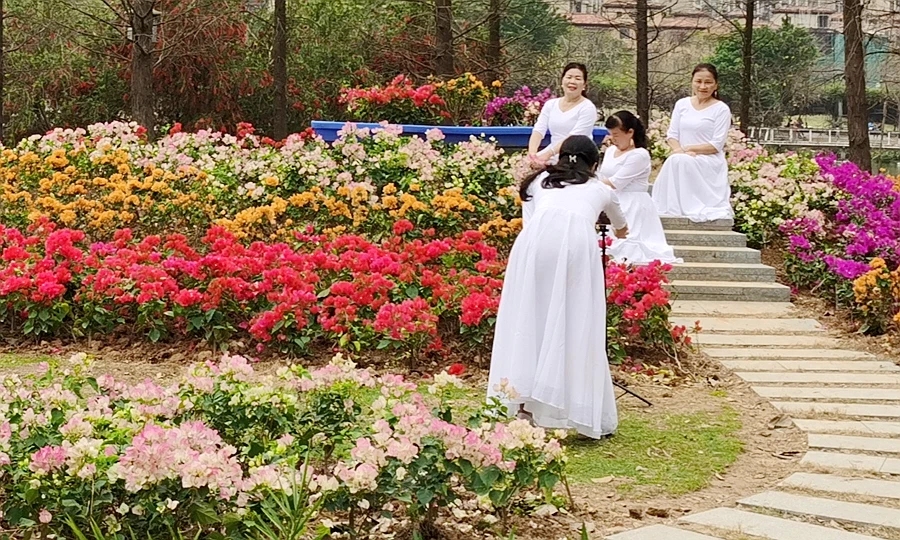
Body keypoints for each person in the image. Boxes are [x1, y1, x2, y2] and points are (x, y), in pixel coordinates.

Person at [488, 135, 628, 439]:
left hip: (534, 246)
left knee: (529, 316)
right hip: (576, 247)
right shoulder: (600, 189)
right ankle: (577, 408)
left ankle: (523, 402)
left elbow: (532, 220)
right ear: (594, 164)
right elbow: (622, 227)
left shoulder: (539, 182)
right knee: (576, 319)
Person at [651, 63, 734, 222]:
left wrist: (689, 149)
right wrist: (679, 150)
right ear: (692, 82)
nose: (703, 86)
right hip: (682, 156)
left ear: (715, 85)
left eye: (708, 82)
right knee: (677, 160)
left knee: (679, 160)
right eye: (698, 81)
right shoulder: (682, 104)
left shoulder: (721, 109)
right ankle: (672, 207)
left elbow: (716, 144)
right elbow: (672, 135)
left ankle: (690, 206)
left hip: (708, 160)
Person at [599, 111, 682, 265]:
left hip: (632, 203)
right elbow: (603, 175)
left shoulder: (639, 155)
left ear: (630, 132)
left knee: (628, 243)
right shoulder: (610, 151)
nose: (613, 139)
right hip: (611, 199)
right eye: (610, 134)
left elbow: (617, 182)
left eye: (616, 135)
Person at [527, 63, 598, 165]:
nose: (572, 81)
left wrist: (547, 155)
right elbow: (539, 129)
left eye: (577, 78)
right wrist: (532, 154)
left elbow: (573, 138)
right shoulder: (550, 104)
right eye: (569, 77)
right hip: (551, 154)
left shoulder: (587, 108)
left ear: (584, 85)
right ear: (562, 81)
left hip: (576, 157)